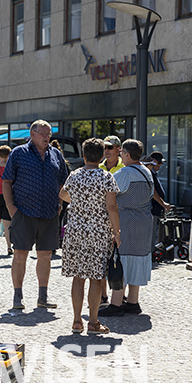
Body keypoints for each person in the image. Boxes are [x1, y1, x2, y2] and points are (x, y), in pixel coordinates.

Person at [3, 120, 69, 309]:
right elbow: (6, 181)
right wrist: (11, 208)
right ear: (32, 134)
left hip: (49, 213)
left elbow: (63, 183)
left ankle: (43, 297)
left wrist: (59, 204)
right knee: (20, 254)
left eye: (49, 134)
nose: (47, 137)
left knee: (46, 255)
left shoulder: (56, 154)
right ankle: (18, 297)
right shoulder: (18, 153)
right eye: (43, 133)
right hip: (23, 212)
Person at [59, 138, 120, 334]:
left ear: (84, 156)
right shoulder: (106, 177)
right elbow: (111, 206)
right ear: (102, 156)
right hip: (98, 232)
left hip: (75, 232)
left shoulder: (74, 175)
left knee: (78, 277)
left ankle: (77, 321)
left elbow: (62, 195)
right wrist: (116, 232)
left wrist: (78, 200)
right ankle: (93, 322)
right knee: (95, 277)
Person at [101, 139, 154, 317]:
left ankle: (116, 303)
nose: (121, 155)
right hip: (144, 222)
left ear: (128, 155)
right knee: (138, 258)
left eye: (122, 152)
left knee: (120, 259)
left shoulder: (124, 173)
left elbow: (107, 192)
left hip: (126, 222)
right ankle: (133, 301)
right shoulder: (147, 172)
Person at [97, 135, 124, 306]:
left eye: (110, 147)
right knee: (101, 261)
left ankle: (119, 295)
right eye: (104, 147)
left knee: (119, 260)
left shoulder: (124, 168)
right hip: (101, 220)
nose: (106, 150)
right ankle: (102, 296)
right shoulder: (98, 167)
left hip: (119, 219)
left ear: (119, 149)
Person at [146, 151, 171, 247]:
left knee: (154, 234)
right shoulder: (149, 173)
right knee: (151, 235)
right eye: (159, 163)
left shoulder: (153, 173)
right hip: (151, 209)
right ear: (153, 161)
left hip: (156, 210)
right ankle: (150, 256)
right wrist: (163, 204)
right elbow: (153, 192)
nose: (160, 166)